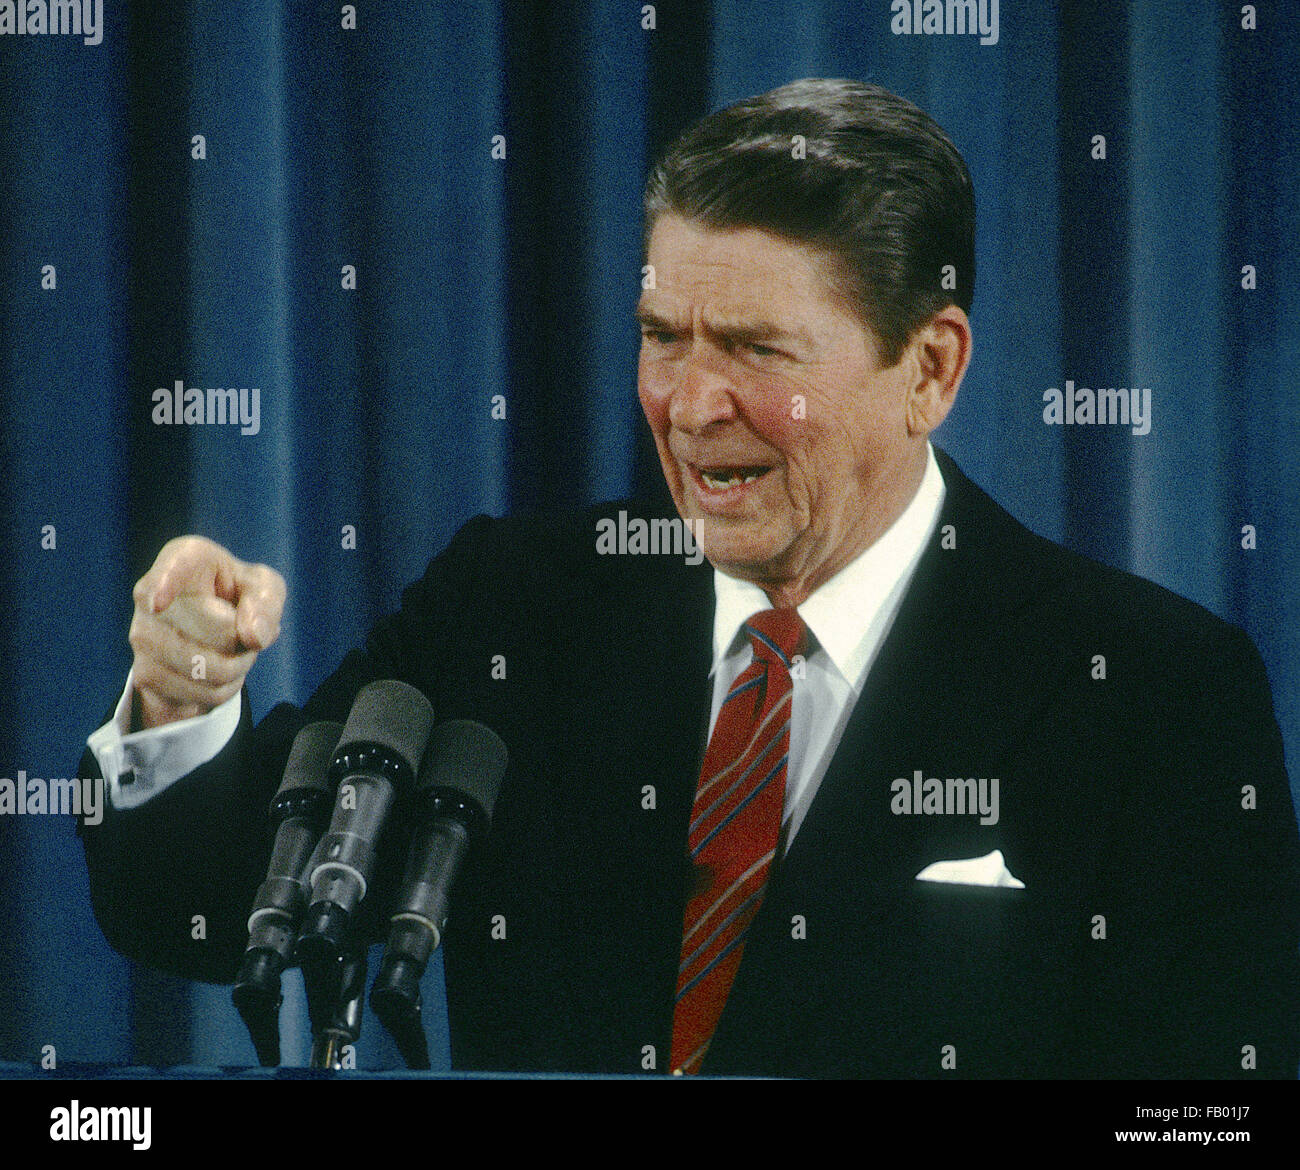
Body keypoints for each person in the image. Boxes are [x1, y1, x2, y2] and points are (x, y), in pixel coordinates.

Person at [79, 78, 1300, 1078]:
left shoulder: (1148, 692)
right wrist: (180, 701)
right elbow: (197, 903)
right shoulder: (521, 603)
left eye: (758, 350)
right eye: (663, 339)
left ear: (928, 368)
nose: (689, 405)